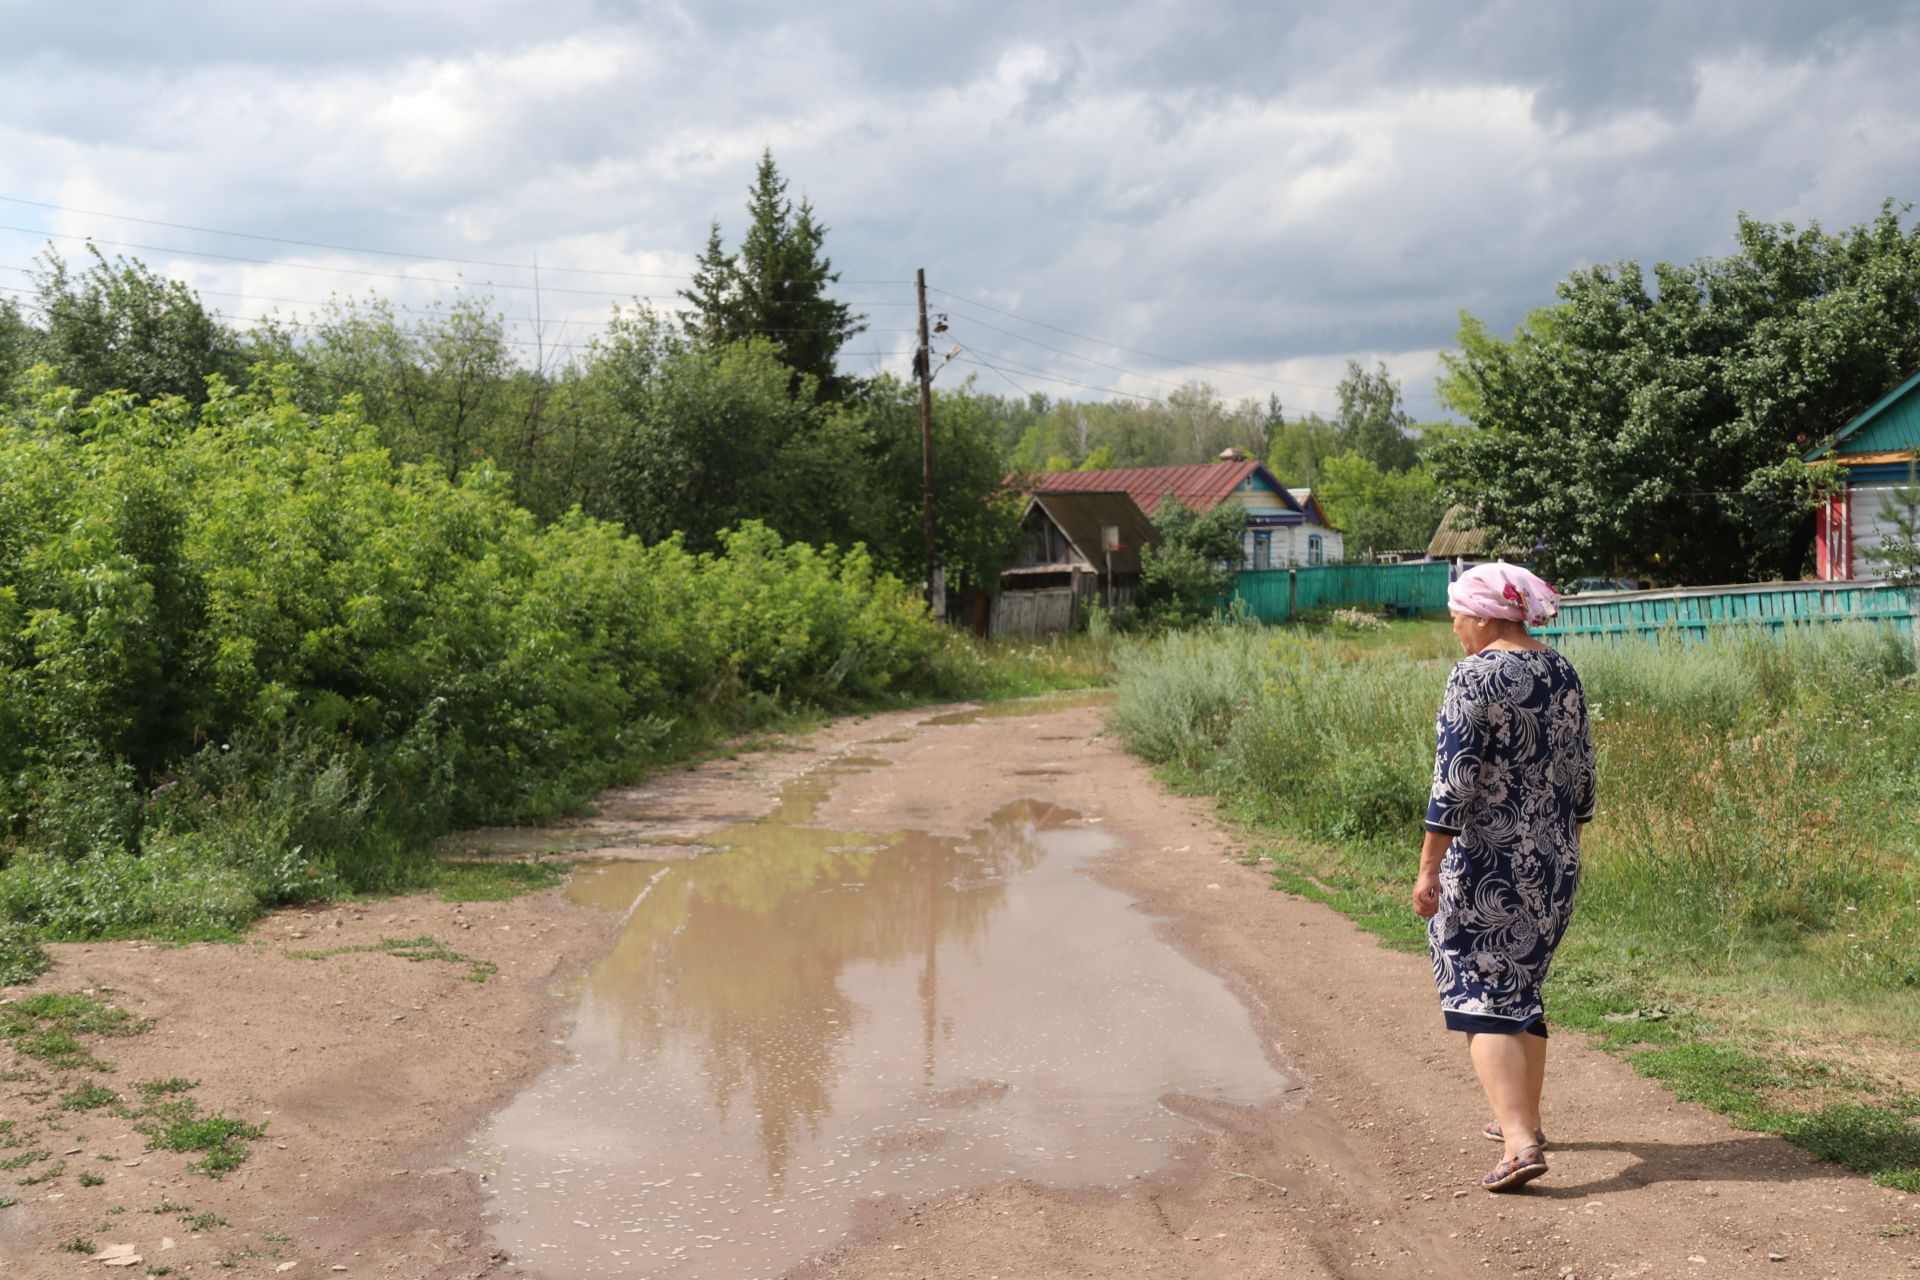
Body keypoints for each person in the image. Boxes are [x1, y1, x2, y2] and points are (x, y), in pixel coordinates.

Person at [1412, 561, 1596, 1193]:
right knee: (1522, 985)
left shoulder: (1475, 675)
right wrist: (1565, 846)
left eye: (1458, 616)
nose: (1455, 628)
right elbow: (1582, 772)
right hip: (1554, 860)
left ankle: (1518, 1144)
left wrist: (1428, 867)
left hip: (1489, 860)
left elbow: (1454, 780)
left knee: (1477, 989)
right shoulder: (1561, 669)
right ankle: (1527, 1123)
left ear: (1487, 615)